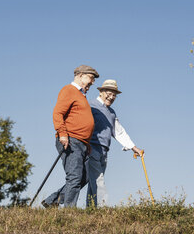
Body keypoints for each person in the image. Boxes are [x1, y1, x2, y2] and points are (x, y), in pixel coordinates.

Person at [42, 65, 99, 208]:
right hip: (71, 139)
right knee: (74, 176)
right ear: (80, 76)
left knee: (85, 177)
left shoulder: (81, 95)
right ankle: (70, 211)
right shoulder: (69, 90)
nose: (92, 82)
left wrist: (87, 144)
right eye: (91, 78)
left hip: (82, 143)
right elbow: (58, 113)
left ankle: (52, 201)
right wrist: (62, 134)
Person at [86, 79, 144, 207]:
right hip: (92, 148)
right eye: (109, 93)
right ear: (101, 92)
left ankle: (90, 209)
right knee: (98, 179)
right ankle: (103, 208)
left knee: (92, 181)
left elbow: (119, 131)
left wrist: (133, 147)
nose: (111, 97)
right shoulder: (90, 105)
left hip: (104, 150)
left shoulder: (111, 113)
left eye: (114, 95)